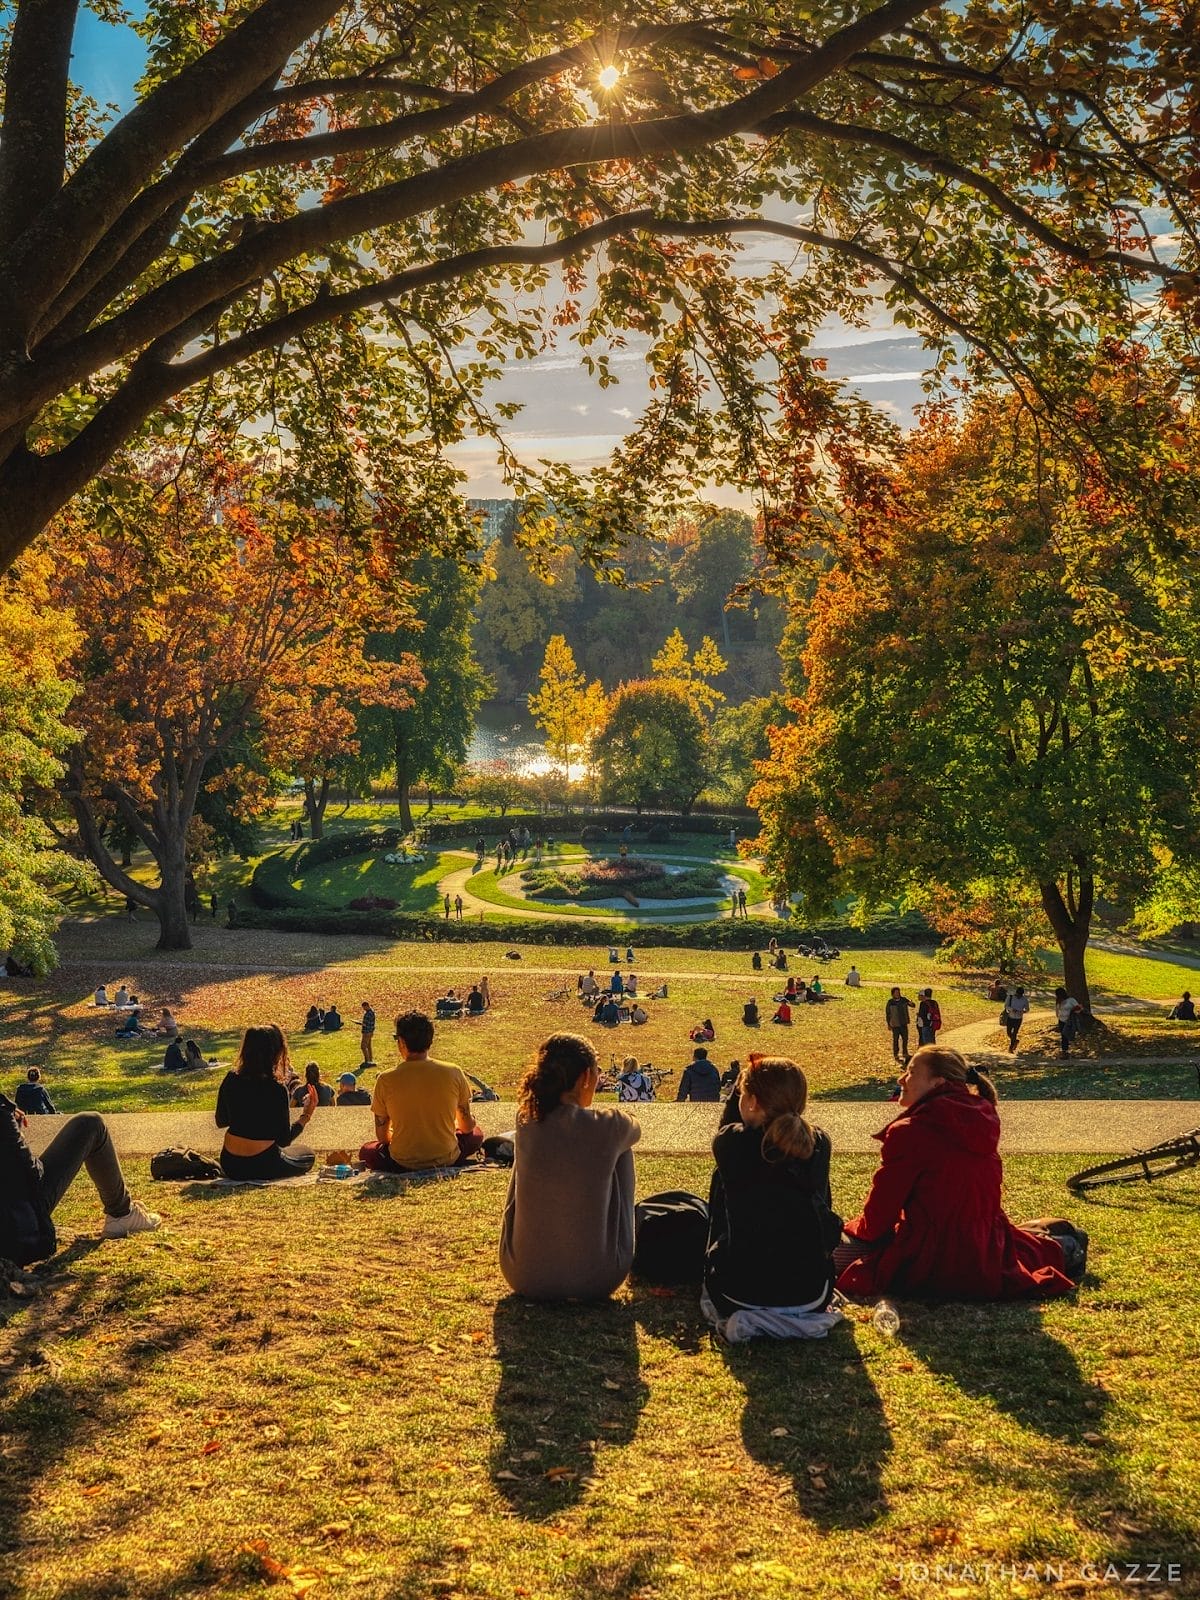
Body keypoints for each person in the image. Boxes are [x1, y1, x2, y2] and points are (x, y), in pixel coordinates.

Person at [835, 1046, 1082, 1300]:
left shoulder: (910, 1130)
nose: (901, 1079)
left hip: (931, 1260)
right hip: (986, 1251)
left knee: (828, 1251)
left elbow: (878, 1218)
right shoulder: (981, 1116)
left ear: (938, 1082)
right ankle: (1061, 1246)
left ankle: (1060, 1244)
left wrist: (849, 1228)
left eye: (911, 1072)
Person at [703, 1057, 842, 1340]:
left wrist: (739, 1092)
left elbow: (728, 1130)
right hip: (812, 1294)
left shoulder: (730, 1143)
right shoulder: (819, 1143)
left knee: (722, 1180)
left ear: (752, 1101)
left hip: (738, 1294)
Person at [500, 1033, 641, 1300]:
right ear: (586, 1076)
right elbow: (635, 1129)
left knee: (530, 1151)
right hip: (598, 1279)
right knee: (622, 1149)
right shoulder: (611, 1124)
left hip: (524, 1276)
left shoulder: (526, 1118)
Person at [2, 1096, 161, 1251]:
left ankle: (122, 1212)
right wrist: (13, 1133)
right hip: (19, 1217)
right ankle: (122, 1213)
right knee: (91, 1123)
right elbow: (27, 1177)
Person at [362, 1010, 484, 1172]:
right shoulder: (454, 1072)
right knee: (477, 1134)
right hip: (447, 1157)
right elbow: (467, 1127)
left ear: (402, 1042)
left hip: (402, 1161)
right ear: (430, 1040)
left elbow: (383, 1137)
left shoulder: (385, 1079)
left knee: (367, 1151)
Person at [216, 1024, 317, 1181]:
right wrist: (306, 1115)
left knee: (297, 1151)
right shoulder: (276, 1089)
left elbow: (221, 1121)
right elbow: (284, 1140)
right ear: (276, 1053)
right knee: (307, 1154)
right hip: (264, 1165)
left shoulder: (231, 1079)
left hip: (230, 1163)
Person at [885, 987, 915, 1064]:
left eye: (898, 992)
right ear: (892, 994)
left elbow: (912, 1005)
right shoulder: (890, 1002)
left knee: (905, 1039)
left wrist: (911, 1003)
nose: (897, 994)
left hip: (903, 1023)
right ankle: (896, 1054)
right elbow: (888, 1014)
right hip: (895, 1024)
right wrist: (889, 1024)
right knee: (896, 1040)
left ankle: (905, 1052)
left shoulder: (903, 1000)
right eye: (895, 993)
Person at [1054, 987, 1083, 1057]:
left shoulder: (1071, 1000)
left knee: (1067, 1035)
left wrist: (1073, 1011)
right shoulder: (1059, 1001)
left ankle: (1067, 1049)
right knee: (1063, 1035)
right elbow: (1057, 1011)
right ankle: (1065, 1051)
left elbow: (1079, 1008)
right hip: (1061, 1020)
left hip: (1069, 1021)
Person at [1002, 985, 1030, 1052]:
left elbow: (1027, 1009)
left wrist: (1023, 1011)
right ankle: (1015, 1041)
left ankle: (1011, 1048)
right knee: (1008, 1032)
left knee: (1015, 1033)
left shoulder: (1024, 999)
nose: (1019, 996)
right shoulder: (1010, 997)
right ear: (1016, 993)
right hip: (1010, 1017)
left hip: (1018, 1018)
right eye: (1018, 995)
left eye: (1020, 995)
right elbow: (1006, 1006)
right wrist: (1012, 1009)